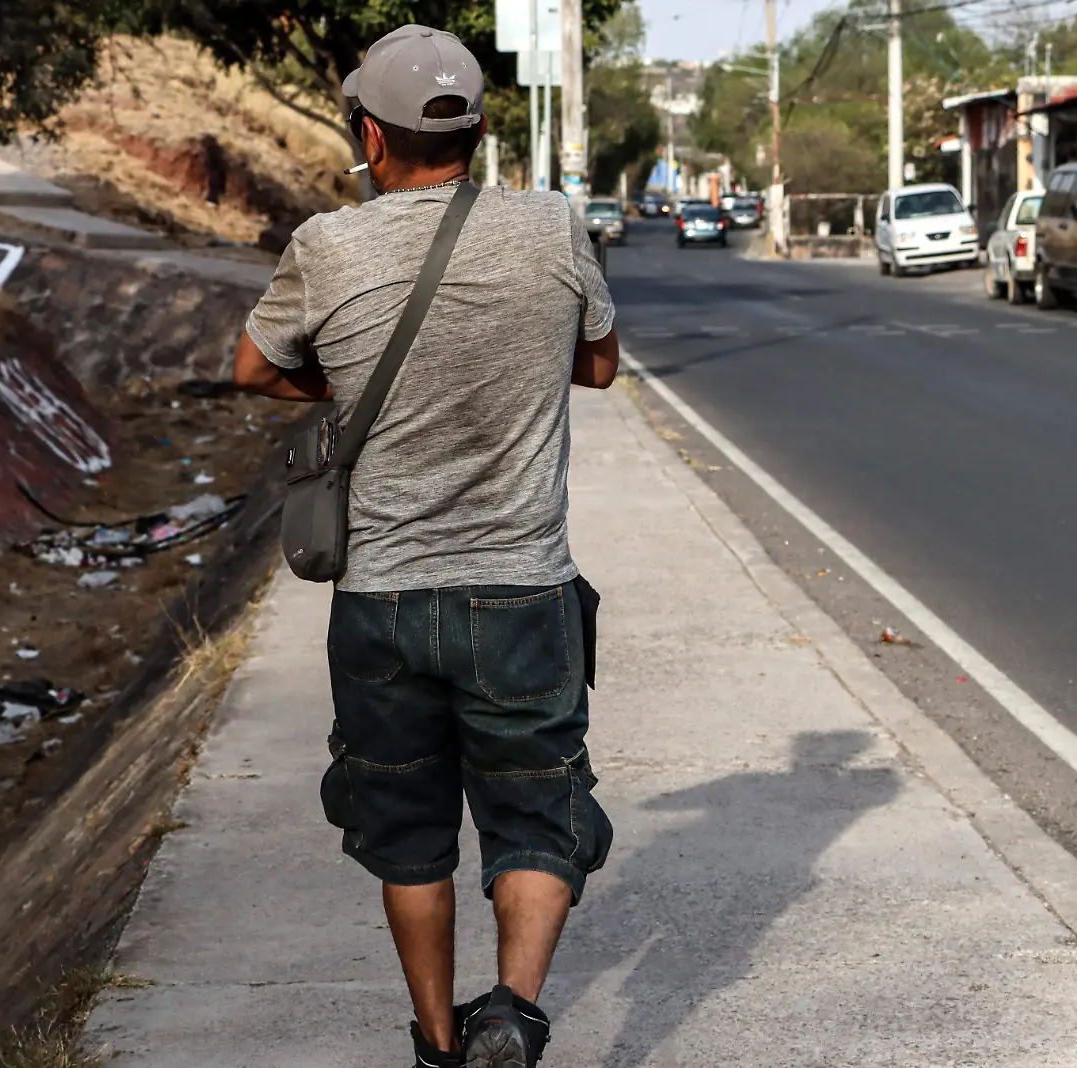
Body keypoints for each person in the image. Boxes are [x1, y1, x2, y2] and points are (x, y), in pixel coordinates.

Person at [229, 23, 621, 1068]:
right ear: (480, 130)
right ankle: (515, 1015)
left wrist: (346, 386)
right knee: (536, 807)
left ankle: (439, 1044)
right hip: (522, 590)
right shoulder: (551, 228)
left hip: (383, 599)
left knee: (406, 826)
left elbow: (252, 371)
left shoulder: (326, 245)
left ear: (370, 134)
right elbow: (599, 367)